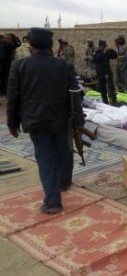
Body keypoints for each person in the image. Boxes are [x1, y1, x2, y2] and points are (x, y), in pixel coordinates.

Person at [7, 27, 83, 214]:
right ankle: (64, 183)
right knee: (65, 150)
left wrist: (12, 123)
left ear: (31, 44)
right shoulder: (64, 66)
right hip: (61, 119)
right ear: (51, 44)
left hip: (35, 120)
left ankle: (52, 202)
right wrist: (78, 121)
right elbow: (76, 95)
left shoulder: (19, 65)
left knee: (45, 158)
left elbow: (13, 97)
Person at [92, 40, 118, 105]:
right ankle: (105, 101)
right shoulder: (96, 52)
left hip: (107, 72)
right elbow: (94, 59)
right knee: (102, 88)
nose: (105, 47)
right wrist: (103, 53)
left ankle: (113, 100)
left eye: (105, 46)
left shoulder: (107, 52)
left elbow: (115, 55)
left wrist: (111, 50)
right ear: (100, 46)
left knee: (111, 87)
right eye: (104, 46)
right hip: (100, 73)